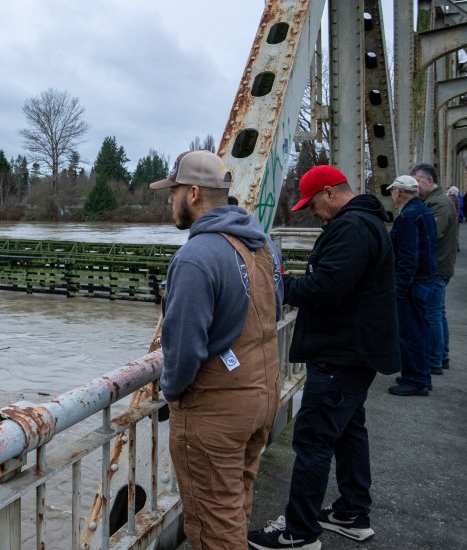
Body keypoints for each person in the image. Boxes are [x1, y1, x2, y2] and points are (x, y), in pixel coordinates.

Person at [248, 165, 399, 550]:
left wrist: (284, 286)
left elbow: (330, 286)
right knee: (349, 430)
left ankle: (298, 532)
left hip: (339, 354)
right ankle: (352, 512)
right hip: (356, 350)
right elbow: (340, 281)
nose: (312, 213)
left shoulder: (351, 228)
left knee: (313, 440)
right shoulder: (366, 223)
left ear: (330, 192)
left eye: (313, 204)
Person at [150, 150, 283, 549]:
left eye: (171, 193)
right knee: (235, 504)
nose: (168, 201)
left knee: (212, 525)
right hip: (262, 393)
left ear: (193, 194)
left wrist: (171, 392)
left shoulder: (196, 257)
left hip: (217, 411)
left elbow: (184, 348)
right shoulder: (263, 245)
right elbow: (275, 308)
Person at [386, 175, 438, 397]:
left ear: (398, 192)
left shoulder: (408, 217)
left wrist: (399, 288)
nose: (392, 196)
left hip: (413, 285)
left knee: (410, 332)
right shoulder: (423, 211)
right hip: (425, 280)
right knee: (420, 330)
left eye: (392, 192)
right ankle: (421, 375)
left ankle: (415, 379)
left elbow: (408, 258)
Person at [411, 163, 458, 375]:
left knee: (432, 315)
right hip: (441, 264)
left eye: (417, 181)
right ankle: (442, 355)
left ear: (429, 181)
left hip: (437, 266)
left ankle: (434, 360)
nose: (414, 185)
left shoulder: (438, 203)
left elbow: (430, 234)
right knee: (438, 313)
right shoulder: (436, 201)